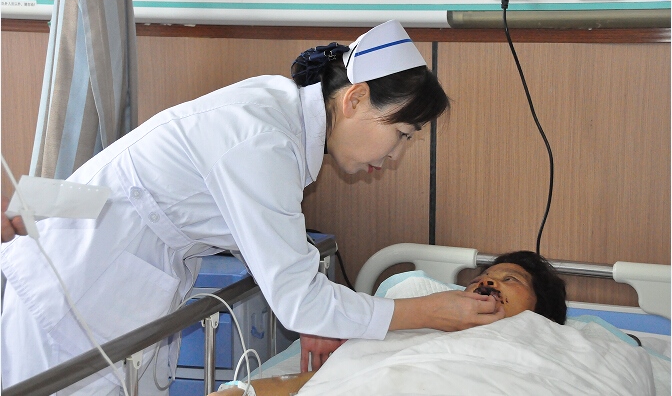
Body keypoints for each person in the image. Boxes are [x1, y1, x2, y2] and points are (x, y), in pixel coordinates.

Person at [1, 20, 504, 395]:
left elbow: (271, 247)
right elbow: (298, 299)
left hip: (112, 268)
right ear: (355, 99)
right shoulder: (264, 141)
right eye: (401, 134)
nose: (395, 156)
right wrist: (430, 310)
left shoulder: (279, 115)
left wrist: (318, 312)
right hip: (75, 283)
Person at [210, 250, 568, 396]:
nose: (488, 281)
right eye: (481, 279)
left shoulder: (549, 349)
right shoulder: (415, 329)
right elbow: (330, 379)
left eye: (510, 280)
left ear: (542, 311)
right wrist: (243, 390)